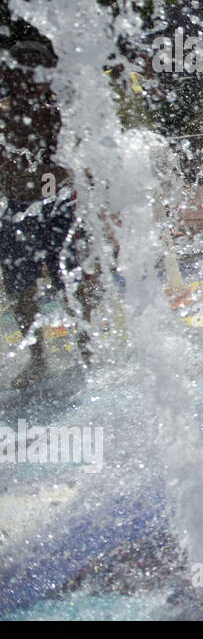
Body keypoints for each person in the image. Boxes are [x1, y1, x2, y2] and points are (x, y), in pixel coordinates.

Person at [0, 40, 95, 387]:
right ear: (10, 73)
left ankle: (86, 348)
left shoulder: (58, 112)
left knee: (68, 279)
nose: (30, 76)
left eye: (38, 68)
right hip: (16, 209)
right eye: (22, 67)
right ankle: (37, 356)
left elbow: (75, 161)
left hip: (58, 207)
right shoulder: (3, 114)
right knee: (20, 288)